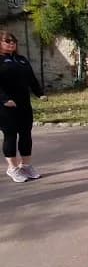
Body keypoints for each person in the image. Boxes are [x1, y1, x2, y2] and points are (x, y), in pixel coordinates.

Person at [0, 31, 47, 183]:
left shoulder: (21, 60)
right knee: (11, 136)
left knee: (26, 134)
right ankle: (12, 168)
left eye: (13, 41)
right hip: (6, 106)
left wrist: (39, 94)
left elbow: (31, 79)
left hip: (24, 104)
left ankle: (25, 166)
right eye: (7, 41)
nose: (11, 43)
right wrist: (4, 99)